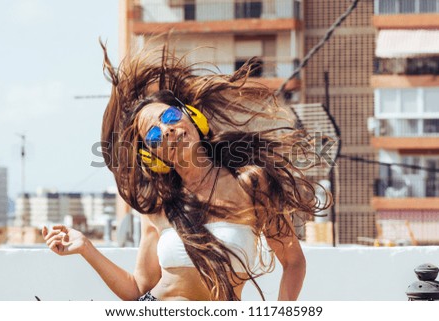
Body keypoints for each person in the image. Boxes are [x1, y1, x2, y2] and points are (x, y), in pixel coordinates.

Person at [42, 38, 331, 301]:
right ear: (154, 156)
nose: (166, 131)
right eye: (153, 136)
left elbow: (293, 262)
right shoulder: (158, 206)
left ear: (192, 117)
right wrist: (85, 247)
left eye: (169, 116)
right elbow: (137, 287)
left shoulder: (250, 182)